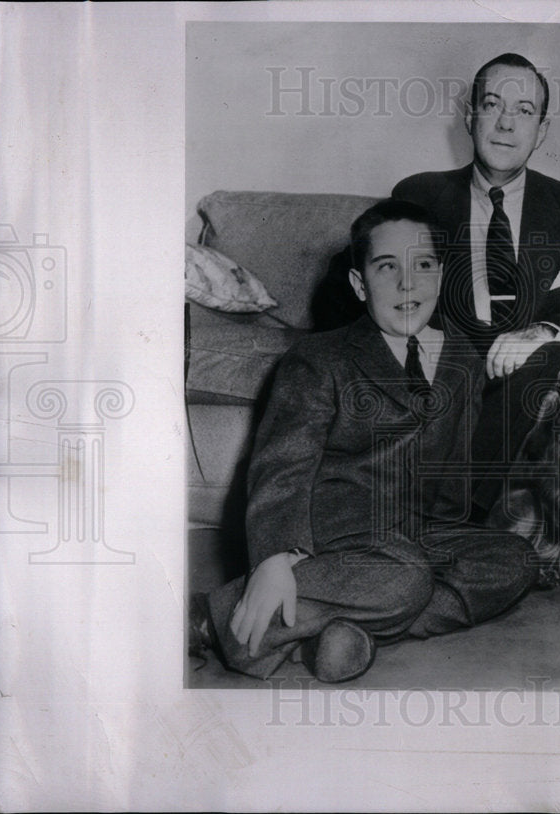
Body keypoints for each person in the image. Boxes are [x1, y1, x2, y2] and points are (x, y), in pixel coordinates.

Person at [189, 200, 536, 682]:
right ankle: (215, 617)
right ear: (359, 284)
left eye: (423, 266)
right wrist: (275, 559)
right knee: (406, 578)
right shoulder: (320, 359)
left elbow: (455, 468)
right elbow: (282, 467)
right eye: (387, 267)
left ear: (442, 275)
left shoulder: (462, 359)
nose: (407, 283)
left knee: (512, 560)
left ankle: (336, 629)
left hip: (414, 530)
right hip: (332, 529)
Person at [392, 52, 560, 513]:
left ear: (543, 130)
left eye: (524, 111)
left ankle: (456, 517)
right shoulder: (418, 196)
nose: (506, 124)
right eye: (493, 105)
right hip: (450, 355)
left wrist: (539, 331)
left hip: (525, 367)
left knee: (544, 357)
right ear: (471, 117)